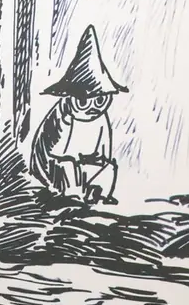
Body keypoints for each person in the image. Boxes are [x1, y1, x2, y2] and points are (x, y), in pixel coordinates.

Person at [29, 25, 128, 205]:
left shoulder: (101, 118)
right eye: (83, 101)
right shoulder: (63, 117)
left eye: (100, 100)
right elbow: (53, 153)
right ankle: (73, 195)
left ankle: (98, 194)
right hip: (56, 169)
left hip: (82, 166)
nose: (92, 107)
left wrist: (97, 161)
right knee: (68, 166)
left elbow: (104, 149)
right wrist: (78, 161)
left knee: (108, 167)